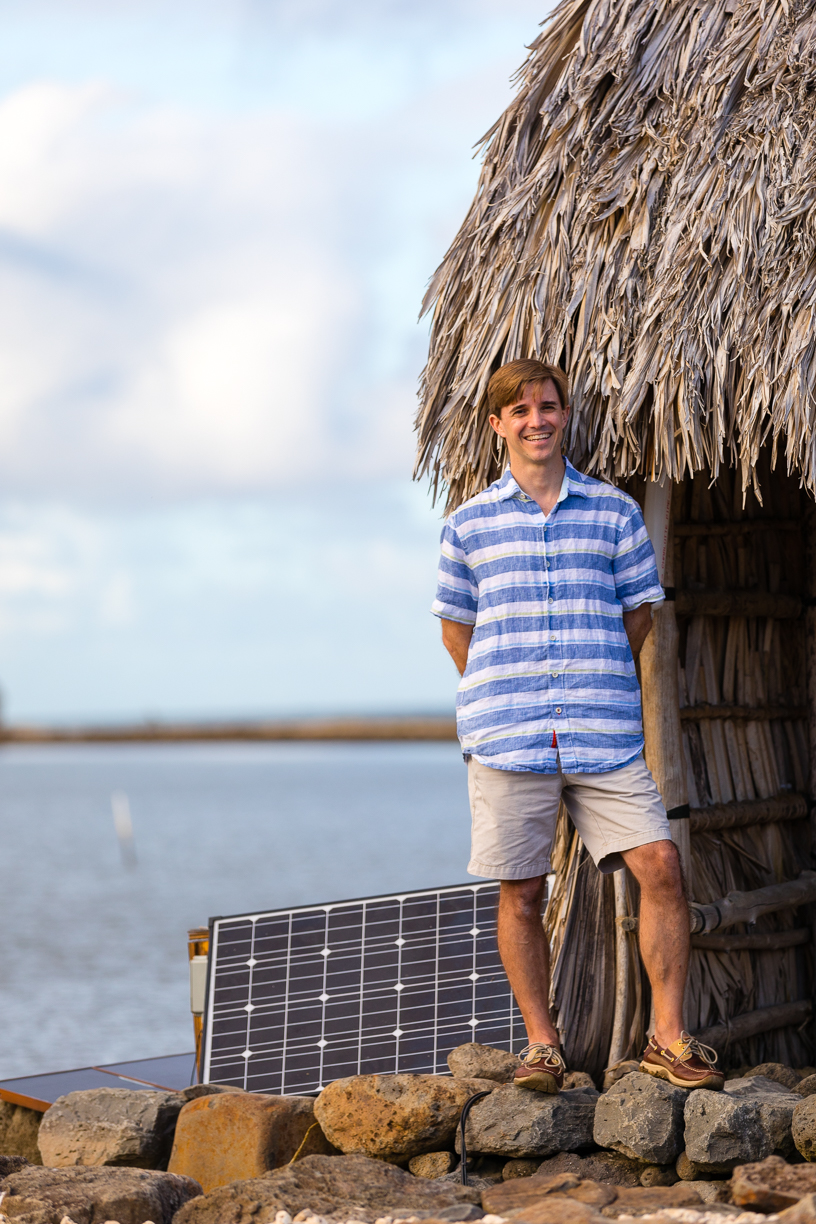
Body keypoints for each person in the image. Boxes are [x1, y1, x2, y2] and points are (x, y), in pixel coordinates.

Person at [432, 358, 723, 1094]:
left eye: (549, 406)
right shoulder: (466, 525)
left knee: (661, 864)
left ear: (566, 415)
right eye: (521, 410)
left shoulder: (616, 513)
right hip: (507, 735)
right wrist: (511, 688)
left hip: (603, 733)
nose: (537, 420)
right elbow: (457, 634)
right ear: (498, 424)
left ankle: (667, 1036)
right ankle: (542, 1047)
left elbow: (639, 613)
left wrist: (593, 675)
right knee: (522, 891)